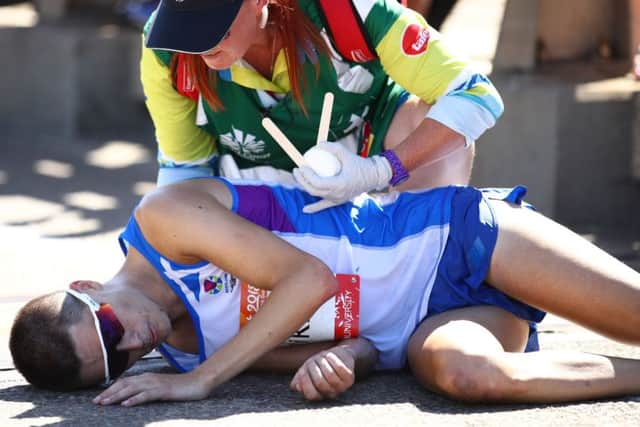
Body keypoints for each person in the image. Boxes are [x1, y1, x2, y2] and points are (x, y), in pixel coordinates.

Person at [10, 177, 640, 405]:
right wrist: (339, 364)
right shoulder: (185, 353)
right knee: (471, 378)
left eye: (109, 329)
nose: (132, 345)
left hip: (452, 237)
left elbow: (309, 281)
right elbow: (360, 346)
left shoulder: (163, 220)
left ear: (88, 286)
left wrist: (203, 383)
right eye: (116, 360)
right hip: (430, 327)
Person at [141, 0, 503, 211]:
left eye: (210, 17)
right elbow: (183, 173)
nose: (195, 39)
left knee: (446, 142)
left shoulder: (350, 9)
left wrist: (379, 171)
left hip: (369, 177)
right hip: (250, 210)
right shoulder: (165, 48)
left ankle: (426, 264)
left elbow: (476, 95)